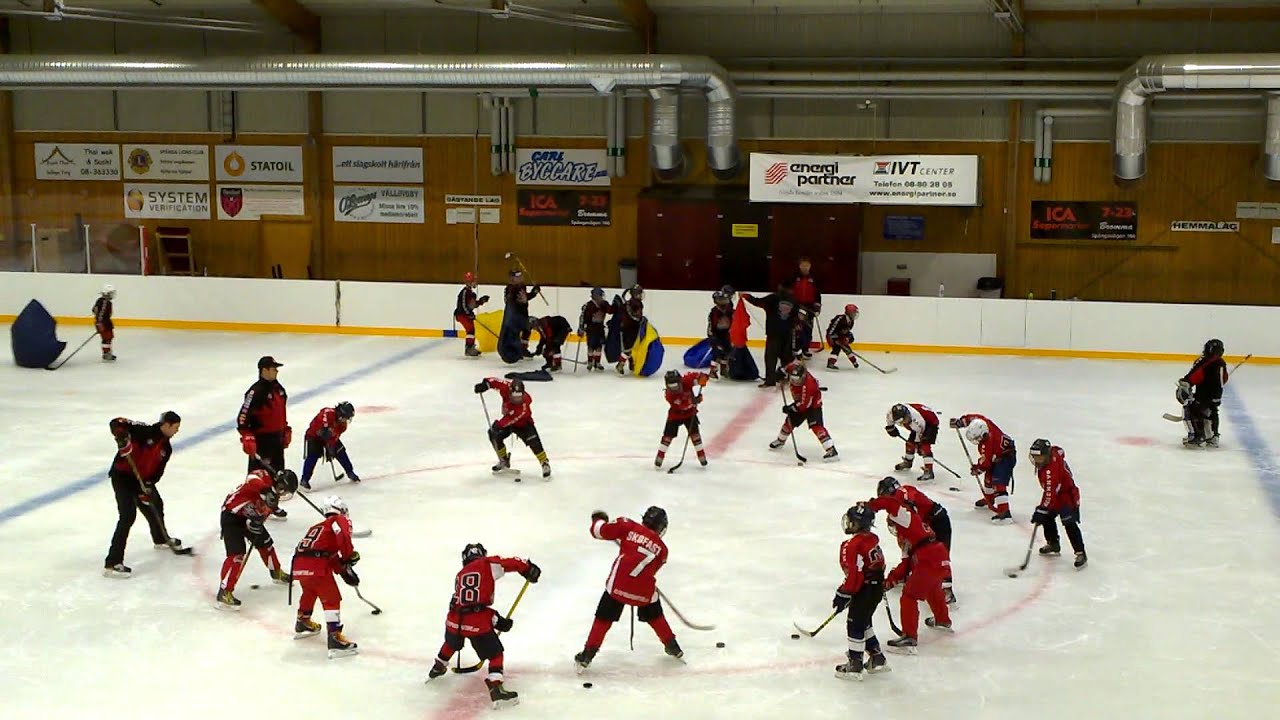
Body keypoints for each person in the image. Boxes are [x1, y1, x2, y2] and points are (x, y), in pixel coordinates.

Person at [426, 543, 541, 709]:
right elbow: (511, 563)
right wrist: (527, 568)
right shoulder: (487, 564)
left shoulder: (460, 574)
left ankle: (438, 666)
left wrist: (497, 620)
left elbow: (465, 604)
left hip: (454, 620)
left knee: (451, 643)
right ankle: (496, 687)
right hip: (476, 623)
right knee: (496, 654)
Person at [574, 507, 682, 672]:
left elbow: (596, 531)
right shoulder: (663, 551)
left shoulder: (627, 526)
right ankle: (672, 645)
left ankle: (588, 654)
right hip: (642, 592)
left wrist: (599, 519)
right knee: (654, 611)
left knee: (603, 618)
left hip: (618, 587)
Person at [868, 484, 953, 653]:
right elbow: (905, 565)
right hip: (939, 555)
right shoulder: (913, 528)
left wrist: (871, 505)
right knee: (933, 589)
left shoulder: (905, 517)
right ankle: (943, 620)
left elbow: (891, 504)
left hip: (928, 558)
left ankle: (909, 637)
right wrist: (890, 580)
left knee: (909, 596)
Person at [103, 412, 183, 578]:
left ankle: (160, 539)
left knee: (155, 504)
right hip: (123, 477)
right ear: (166, 425)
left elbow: (157, 472)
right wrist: (122, 438)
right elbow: (117, 422)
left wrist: (146, 487)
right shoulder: (143, 431)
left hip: (141, 481)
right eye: (175, 427)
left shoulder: (166, 448)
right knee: (127, 516)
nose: (176, 431)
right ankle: (113, 562)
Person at [292, 495, 362, 658]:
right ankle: (334, 637)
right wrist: (348, 556)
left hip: (300, 565)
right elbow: (343, 538)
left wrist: (343, 571)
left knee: (310, 592)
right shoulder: (338, 520)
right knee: (332, 597)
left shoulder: (318, 527)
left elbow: (327, 554)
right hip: (316, 566)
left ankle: (303, 622)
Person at [216, 468, 297, 610]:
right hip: (232, 515)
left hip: (246, 517)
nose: (283, 493)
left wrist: (256, 523)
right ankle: (225, 591)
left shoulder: (274, 498)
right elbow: (251, 478)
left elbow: (260, 514)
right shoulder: (263, 476)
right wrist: (265, 491)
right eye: (284, 489)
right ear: (280, 483)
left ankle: (276, 572)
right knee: (237, 555)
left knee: (266, 544)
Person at [832, 502, 889, 680]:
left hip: (865, 589)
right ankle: (877, 657)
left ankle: (855, 665)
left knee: (854, 624)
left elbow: (854, 575)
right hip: (876, 588)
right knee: (864, 622)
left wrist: (844, 593)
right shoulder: (871, 539)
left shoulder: (851, 545)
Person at [876, 477, 955, 605]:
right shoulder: (903, 494)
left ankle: (946, 590)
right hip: (933, 521)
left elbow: (910, 503)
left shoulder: (901, 496)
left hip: (936, 522)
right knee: (928, 556)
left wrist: (892, 579)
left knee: (939, 556)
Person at [238, 355, 291, 518]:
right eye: (274, 368)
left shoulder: (279, 389)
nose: (276, 371)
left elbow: (281, 412)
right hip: (262, 440)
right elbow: (242, 417)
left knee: (276, 473)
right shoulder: (256, 392)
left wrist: (285, 429)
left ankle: (271, 505)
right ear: (264, 370)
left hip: (277, 439)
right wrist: (247, 436)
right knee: (258, 475)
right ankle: (250, 505)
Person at [475, 377, 551, 479]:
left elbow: (512, 418)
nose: (517, 400)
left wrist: (499, 425)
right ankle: (503, 460)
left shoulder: (524, 404)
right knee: (493, 434)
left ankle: (544, 463)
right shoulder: (506, 386)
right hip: (509, 421)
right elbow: (494, 381)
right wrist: (486, 385)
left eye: (519, 397)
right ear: (510, 392)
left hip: (523, 423)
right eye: (515, 397)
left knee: (534, 442)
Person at [1029, 439, 1087, 569]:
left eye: (1040, 456)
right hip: (1057, 494)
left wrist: (1041, 510)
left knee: (1069, 523)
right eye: (1035, 457)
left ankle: (1080, 552)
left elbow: (1050, 493)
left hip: (1067, 497)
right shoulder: (1053, 454)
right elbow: (1059, 450)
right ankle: (1053, 543)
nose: (1037, 460)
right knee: (1047, 518)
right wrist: (1043, 512)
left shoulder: (1051, 471)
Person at [950, 413, 1016, 523]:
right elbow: (972, 417)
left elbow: (986, 462)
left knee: (998, 483)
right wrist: (960, 422)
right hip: (997, 455)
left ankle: (1005, 513)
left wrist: (978, 469)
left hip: (1005, 457)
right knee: (988, 479)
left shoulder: (987, 443)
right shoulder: (982, 422)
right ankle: (989, 499)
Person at [769, 361, 838, 460]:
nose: (795, 382)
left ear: (803, 376)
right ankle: (780, 440)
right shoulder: (794, 368)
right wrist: (780, 372)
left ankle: (831, 450)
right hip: (800, 403)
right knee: (789, 422)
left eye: (797, 380)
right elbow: (787, 367)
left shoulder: (809, 385)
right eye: (793, 379)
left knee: (816, 426)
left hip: (813, 406)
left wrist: (791, 408)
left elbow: (804, 405)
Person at [742, 281, 797, 387]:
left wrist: (746, 296)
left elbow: (758, 302)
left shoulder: (773, 298)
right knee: (786, 357)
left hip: (774, 333)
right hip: (787, 334)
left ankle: (770, 380)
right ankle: (788, 377)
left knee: (770, 358)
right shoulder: (794, 300)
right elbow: (796, 318)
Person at [1179, 338, 1228, 447]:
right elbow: (1224, 379)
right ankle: (1213, 436)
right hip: (1217, 396)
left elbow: (1195, 375)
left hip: (1204, 395)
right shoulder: (1222, 362)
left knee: (1191, 408)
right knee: (1213, 410)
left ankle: (1197, 436)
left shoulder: (1205, 360)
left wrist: (1186, 382)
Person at [656, 369, 709, 468]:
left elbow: (697, 378)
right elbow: (682, 405)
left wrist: (703, 378)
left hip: (690, 414)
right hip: (675, 415)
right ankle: (660, 455)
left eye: (676, 385)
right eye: (671, 387)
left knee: (695, 435)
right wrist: (693, 401)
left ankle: (701, 455)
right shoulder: (669, 395)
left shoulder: (687, 381)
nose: (674, 389)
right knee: (667, 436)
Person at [300, 402, 359, 489]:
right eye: (345, 417)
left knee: (340, 451)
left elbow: (334, 436)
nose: (345, 420)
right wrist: (325, 432)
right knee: (313, 456)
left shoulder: (343, 425)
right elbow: (321, 429)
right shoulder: (328, 413)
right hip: (314, 436)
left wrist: (330, 446)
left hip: (327, 438)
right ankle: (304, 479)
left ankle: (350, 472)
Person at [886, 403, 940, 482]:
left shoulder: (917, 420)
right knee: (910, 443)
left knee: (925, 446)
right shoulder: (891, 414)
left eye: (906, 418)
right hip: (919, 423)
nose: (906, 420)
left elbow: (920, 433)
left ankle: (929, 471)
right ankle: (908, 462)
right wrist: (891, 428)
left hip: (930, 423)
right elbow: (889, 423)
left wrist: (919, 446)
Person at [504, 269, 541, 358]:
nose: (521, 278)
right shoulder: (511, 288)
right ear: (512, 278)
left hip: (522, 313)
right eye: (518, 277)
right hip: (514, 315)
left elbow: (525, 297)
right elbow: (511, 301)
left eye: (521, 276)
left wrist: (533, 293)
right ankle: (516, 351)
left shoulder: (521, 286)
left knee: (527, 330)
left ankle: (523, 349)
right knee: (519, 332)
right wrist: (523, 299)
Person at [790, 257, 822, 359]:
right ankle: (795, 349)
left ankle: (805, 349)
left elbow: (817, 294)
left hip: (809, 307)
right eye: (803, 265)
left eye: (807, 265)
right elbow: (788, 292)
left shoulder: (814, 278)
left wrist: (817, 306)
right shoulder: (793, 277)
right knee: (796, 329)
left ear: (810, 266)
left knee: (808, 329)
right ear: (799, 266)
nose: (805, 267)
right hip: (796, 306)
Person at [455, 271, 490, 357]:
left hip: (465, 314)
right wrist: (468, 314)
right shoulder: (465, 292)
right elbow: (463, 305)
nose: (475, 283)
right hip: (461, 314)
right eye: (473, 281)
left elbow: (472, 305)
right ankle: (469, 349)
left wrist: (481, 301)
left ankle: (470, 347)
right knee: (470, 329)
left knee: (471, 329)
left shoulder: (470, 293)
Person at [578, 287, 614, 372]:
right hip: (591, 327)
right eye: (600, 295)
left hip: (600, 327)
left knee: (599, 345)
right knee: (591, 345)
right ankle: (590, 362)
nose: (602, 297)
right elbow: (582, 317)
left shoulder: (604, 304)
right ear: (595, 296)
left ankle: (597, 362)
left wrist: (615, 306)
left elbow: (610, 311)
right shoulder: (588, 305)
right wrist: (581, 328)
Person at [615, 285, 646, 375]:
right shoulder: (629, 304)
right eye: (639, 294)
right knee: (628, 348)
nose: (640, 295)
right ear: (634, 294)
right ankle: (620, 364)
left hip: (635, 328)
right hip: (627, 329)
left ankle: (632, 364)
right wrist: (639, 319)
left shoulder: (638, 303)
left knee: (634, 347)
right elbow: (632, 316)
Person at [706, 287, 735, 380]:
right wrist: (713, 337)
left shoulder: (729, 309)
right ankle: (713, 370)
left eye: (724, 300)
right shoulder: (714, 312)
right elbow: (712, 326)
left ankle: (723, 369)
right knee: (717, 353)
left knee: (727, 351)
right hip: (715, 335)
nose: (723, 303)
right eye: (721, 300)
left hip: (726, 334)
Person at [825, 304, 860, 370]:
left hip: (841, 336)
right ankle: (831, 363)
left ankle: (854, 361)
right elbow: (832, 328)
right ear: (849, 313)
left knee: (847, 348)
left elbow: (846, 332)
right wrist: (832, 338)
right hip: (832, 336)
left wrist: (847, 338)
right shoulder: (840, 318)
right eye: (854, 313)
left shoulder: (851, 321)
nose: (855, 314)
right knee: (836, 348)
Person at [93, 284, 116, 361]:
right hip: (104, 324)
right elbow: (101, 313)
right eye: (111, 293)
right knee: (107, 338)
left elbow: (94, 310)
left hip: (104, 323)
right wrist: (100, 324)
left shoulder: (99, 300)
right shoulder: (106, 302)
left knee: (108, 338)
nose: (112, 295)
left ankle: (107, 352)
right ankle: (106, 353)